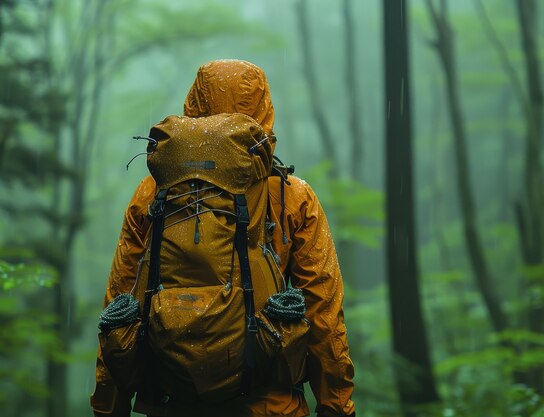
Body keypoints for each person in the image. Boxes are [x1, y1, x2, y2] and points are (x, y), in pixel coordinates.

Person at [91, 59, 356, 417]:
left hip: (171, 402)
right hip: (267, 405)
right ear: (263, 111)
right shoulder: (291, 196)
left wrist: (109, 406)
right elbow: (323, 314)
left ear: (194, 106)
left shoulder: (153, 193)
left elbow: (119, 306)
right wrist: (336, 407)